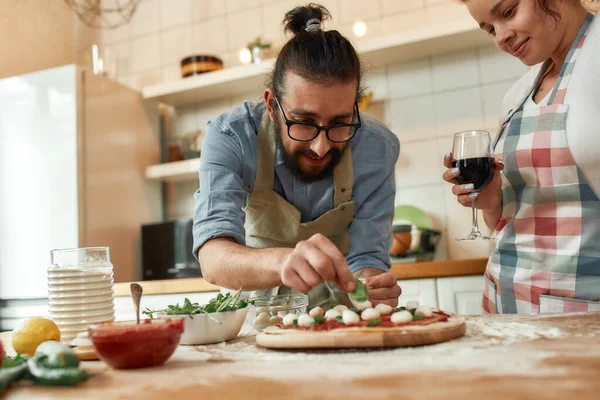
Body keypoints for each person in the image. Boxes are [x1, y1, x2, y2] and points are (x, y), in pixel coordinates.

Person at [193, 4, 402, 308]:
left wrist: (370, 285)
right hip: (257, 317)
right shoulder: (232, 136)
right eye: (303, 123)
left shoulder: (378, 147)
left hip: (342, 318)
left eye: (340, 123)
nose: (320, 147)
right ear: (271, 105)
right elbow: (213, 257)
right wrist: (284, 262)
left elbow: (367, 256)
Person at [444, 0, 600, 313]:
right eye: (489, 29)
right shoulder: (517, 95)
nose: (500, 36)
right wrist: (489, 201)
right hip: (502, 304)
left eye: (508, 12)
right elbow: (511, 223)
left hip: (579, 316)